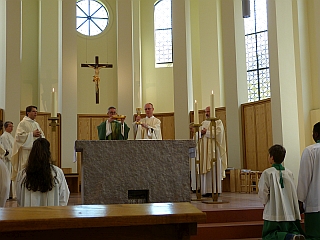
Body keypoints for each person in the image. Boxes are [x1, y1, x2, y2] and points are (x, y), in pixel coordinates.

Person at [258, 144, 305, 240]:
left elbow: (263, 191)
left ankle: (288, 237)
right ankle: (293, 235)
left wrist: (265, 202)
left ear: (272, 157)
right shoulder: (289, 173)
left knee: (268, 235)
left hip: (274, 210)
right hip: (289, 210)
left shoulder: (267, 173)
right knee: (292, 228)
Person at [16, 138, 69, 207]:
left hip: (28, 215)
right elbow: (64, 197)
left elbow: (19, 198)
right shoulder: (57, 173)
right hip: (52, 215)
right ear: (48, 153)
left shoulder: (23, 174)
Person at [11, 106, 45, 198]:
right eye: (33, 111)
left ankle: (34, 189)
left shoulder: (36, 124)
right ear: (28, 113)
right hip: (26, 152)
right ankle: (21, 192)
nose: (36, 113)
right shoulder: (23, 123)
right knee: (25, 171)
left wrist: (40, 136)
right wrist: (31, 134)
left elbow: (42, 136)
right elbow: (18, 137)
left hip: (36, 153)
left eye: (36, 111)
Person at [193, 106, 227, 197]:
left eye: (208, 111)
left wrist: (206, 132)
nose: (207, 113)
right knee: (205, 168)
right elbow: (196, 136)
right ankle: (205, 190)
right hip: (204, 151)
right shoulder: (203, 123)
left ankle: (215, 190)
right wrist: (200, 133)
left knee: (214, 168)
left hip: (214, 151)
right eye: (206, 112)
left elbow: (218, 133)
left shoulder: (218, 122)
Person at [297, 122, 320, 239]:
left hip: (315, 204)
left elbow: (304, 178)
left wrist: (300, 200)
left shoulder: (310, 151)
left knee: (313, 236)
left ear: (316, 134)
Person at [0, 121, 14, 198]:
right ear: (5, 127)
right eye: (10, 126)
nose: (11, 128)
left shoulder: (10, 136)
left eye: (12, 126)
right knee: (7, 177)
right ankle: (7, 195)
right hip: (7, 160)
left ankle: (10, 194)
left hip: (11, 159)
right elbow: (6, 149)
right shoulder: (4, 136)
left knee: (11, 177)